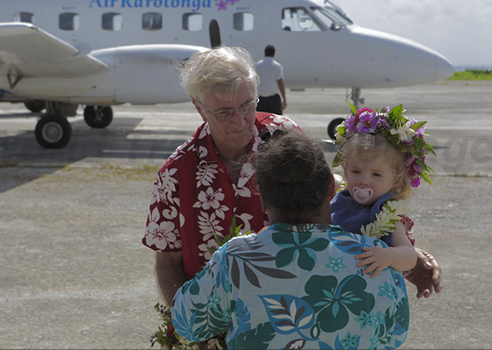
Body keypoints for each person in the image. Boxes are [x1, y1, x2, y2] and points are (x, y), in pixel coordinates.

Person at [172, 130, 410, 349]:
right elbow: (396, 334)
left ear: (262, 197)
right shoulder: (378, 257)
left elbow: (186, 323)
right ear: (331, 188)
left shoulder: (235, 259)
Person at [142, 46, 301, 307]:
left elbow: (323, 218)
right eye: (225, 113)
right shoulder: (175, 175)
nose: (240, 122)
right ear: (199, 108)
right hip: (212, 329)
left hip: (289, 316)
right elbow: (167, 262)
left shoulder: (286, 137)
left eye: (247, 105)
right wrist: (192, 325)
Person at [331, 104, 435, 279]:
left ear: (396, 180)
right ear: (345, 168)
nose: (363, 180)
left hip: (369, 286)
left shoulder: (385, 214)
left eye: (376, 174)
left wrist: (389, 256)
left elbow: (409, 257)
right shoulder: (338, 201)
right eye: (356, 171)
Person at [255, 44, 287, 115]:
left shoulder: (257, 65)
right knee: (276, 122)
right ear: (274, 54)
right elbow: (280, 82)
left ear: (264, 53)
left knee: (261, 123)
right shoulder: (277, 66)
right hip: (274, 99)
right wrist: (284, 99)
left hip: (261, 99)